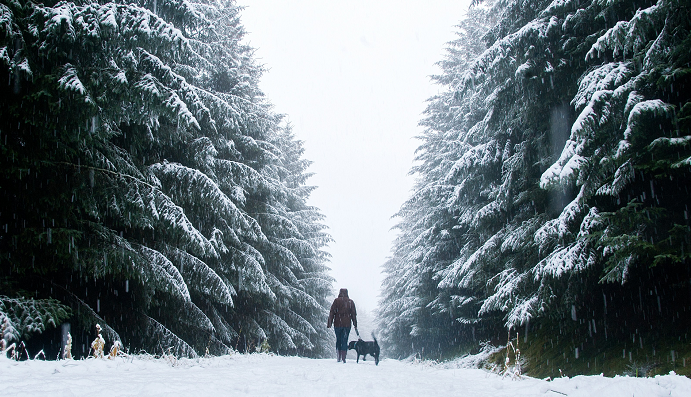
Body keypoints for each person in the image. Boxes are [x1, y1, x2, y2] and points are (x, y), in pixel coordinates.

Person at [327, 288, 357, 363]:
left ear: (340, 293)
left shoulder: (336, 301)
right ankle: (344, 357)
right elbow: (353, 314)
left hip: (337, 324)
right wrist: (355, 324)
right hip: (347, 324)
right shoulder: (350, 302)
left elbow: (332, 312)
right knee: (345, 340)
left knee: (338, 339)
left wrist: (329, 323)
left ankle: (338, 356)